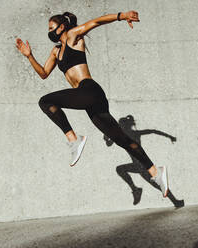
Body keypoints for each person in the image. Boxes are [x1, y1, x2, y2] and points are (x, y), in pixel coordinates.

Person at [15, 11, 169, 197]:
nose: (49, 32)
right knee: (123, 140)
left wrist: (121, 16)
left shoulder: (73, 37)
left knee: (46, 101)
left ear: (61, 27)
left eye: (51, 28)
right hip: (89, 101)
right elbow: (43, 73)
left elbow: (95, 22)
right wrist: (29, 56)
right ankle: (156, 172)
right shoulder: (56, 51)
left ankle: (74, 139)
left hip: (89, 90)